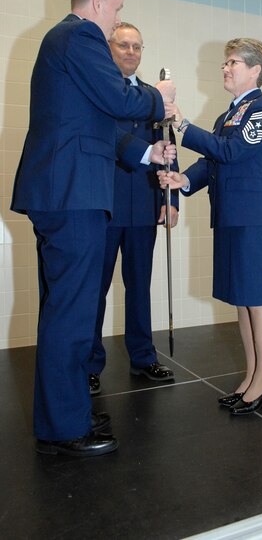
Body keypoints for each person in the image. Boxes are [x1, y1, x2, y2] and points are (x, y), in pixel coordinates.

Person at [10, 0, 176, 456]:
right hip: (73, 193)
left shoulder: (62, 42)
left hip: (62, 191)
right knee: (72, 311)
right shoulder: (80, 35)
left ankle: (64, 414)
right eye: (118, 8)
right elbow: (118, 97)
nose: (118, 18)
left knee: (65, 309)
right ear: (99, 3)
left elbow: (100, 126)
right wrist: (158, 98)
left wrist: (145, 154)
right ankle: (65, 429)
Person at [158, 38, 262, 415]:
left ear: (255, 70)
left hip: (254, 215)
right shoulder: (227, 114)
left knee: (259, 300)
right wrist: (185, 180)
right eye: (225, 63)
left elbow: (231, 151)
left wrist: (181, 124)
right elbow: (214, 161)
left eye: (233, 62)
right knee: (243, 301)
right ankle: (252, 375)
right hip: (231, 214)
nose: (225, 68)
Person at [87, 23, 179, 395]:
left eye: (136, 46)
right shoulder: (98, 90)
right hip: (103, 205)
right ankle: (89, 363)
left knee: (139, 285)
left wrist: (169, 201)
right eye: (122, 44)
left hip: (143, 204)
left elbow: (166, 151)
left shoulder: (152, 97)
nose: (130, 52)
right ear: (109, 48)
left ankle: (143, 357)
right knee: (95, 289)